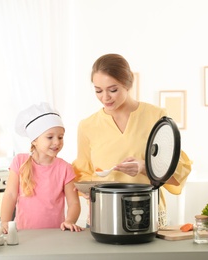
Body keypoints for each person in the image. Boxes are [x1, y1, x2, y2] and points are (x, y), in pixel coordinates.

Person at [72, 54, 192, 227]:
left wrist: (145, 168)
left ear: (128, 84)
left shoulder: (155, 116)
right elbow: (83, 173)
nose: (105, 97)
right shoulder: (87, 126)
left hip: (148, 214)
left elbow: (176, 172)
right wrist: (87, 190)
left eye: (113, 90)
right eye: (98, 90)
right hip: (105, 216)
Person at [0, 102, 83, 233]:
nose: (57, 142)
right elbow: (10, 195)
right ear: (34, 140)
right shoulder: (19, 161)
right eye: (50, 137)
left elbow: (74, 203)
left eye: (60, 137)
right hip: (23, 234)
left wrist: (70, 221)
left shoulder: (65, 168)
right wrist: (4, 222)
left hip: (54, 235)